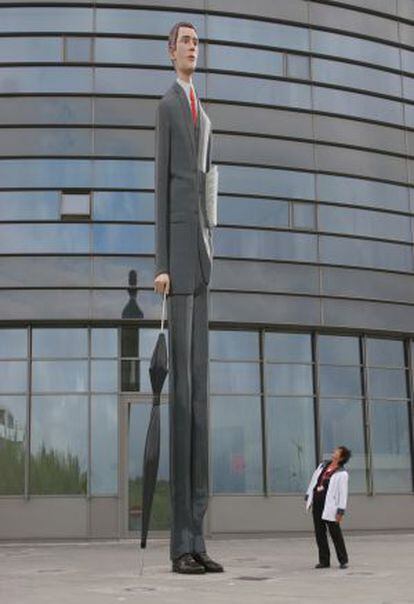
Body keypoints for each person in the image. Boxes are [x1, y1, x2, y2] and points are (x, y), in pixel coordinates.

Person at [153, 22, 223, 575]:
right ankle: (179, 543)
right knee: (180, 404)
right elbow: (163, 188)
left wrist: (210, 245)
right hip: (177, 264)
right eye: (186, 42)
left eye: (198, 43)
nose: (193, 49)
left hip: (201, 260)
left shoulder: (205, 114)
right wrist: (160, 265)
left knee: (200, 400)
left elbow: (208, 185)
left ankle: (199, 537)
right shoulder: (167, 106)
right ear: (171, 52)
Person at [305, 446, 351, 569]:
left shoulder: (342, 473)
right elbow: (314, 481)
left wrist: (341, 511)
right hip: (318, 503)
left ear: (341, 457)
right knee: (320, 533)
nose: (334, 451)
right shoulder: (323, 466)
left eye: (337, 451)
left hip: (330, 507)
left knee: (335, 533)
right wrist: (309, 496)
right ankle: (324, 561)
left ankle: (343, 560)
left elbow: (343, 493)